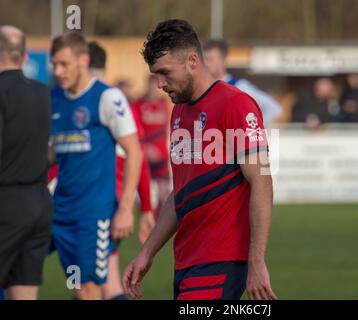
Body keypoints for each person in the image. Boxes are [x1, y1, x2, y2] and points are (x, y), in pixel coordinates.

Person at [122, 19, 277, 300]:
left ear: (193, 60)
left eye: (165, 73)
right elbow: (180, 193)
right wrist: (147, 253)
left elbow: (262, 181)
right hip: (186, 260)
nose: (160, 84)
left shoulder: (236, 104)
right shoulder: (179, 112)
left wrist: (256, 261)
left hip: (222, 259)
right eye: (156, 75)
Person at [49, 31, 142, 300]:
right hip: (57, 210)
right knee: (15, 262)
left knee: (87, 288)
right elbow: (52, 153)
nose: (58, 70)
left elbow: (134, 152)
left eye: (64, 64)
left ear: (83, 60)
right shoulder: (54, 97)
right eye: (54, 64)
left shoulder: (107, 98)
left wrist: (126, 208)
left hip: (94, 215)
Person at [88, 41, 155, 300]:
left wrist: (141, 208)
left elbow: (136, 156)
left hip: (103, 207)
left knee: (96, 284)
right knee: (97, 282)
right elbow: (140, 159)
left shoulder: (105, 102)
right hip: (104, 206)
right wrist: (146, 208)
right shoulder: (122, 105)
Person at [0, 25, 52, 300]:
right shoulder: (45, 93)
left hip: (6, 202)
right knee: (23, 293)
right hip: (39, 203)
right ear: (23, 55)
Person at [203, 39, 283, 126]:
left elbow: (274, 109)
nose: (206, 64)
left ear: (224, 60)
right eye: (204, 60)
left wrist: (250, 127)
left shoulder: (240, 86)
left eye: (210, 59)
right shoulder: (202, 89)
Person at [133, 75, 171, 220]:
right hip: (145, 155)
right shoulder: (138, 104)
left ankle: (160, 222)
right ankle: (143, 217)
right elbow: (135, 131)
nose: (154, 90)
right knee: (143, 190)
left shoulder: (164, 103)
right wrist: (145, 147)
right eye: (151, 86)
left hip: (161, 155)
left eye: (157, 87)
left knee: (164, 192)